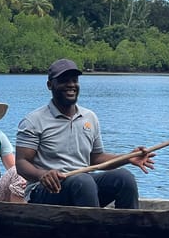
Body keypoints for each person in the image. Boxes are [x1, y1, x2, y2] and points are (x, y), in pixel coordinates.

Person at [14, 58, 155, 208]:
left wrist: (128, 158)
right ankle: (93, 223)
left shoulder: (89, 117)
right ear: (50, 85)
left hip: (83, 187)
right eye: (63, 81)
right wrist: (42, 174)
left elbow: (96, 158)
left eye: (74, 80)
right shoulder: (33, 121)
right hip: (46, 190)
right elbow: (22, 163)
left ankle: (128, 223)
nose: (71, 85)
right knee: (83, 181)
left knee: (124, 178)